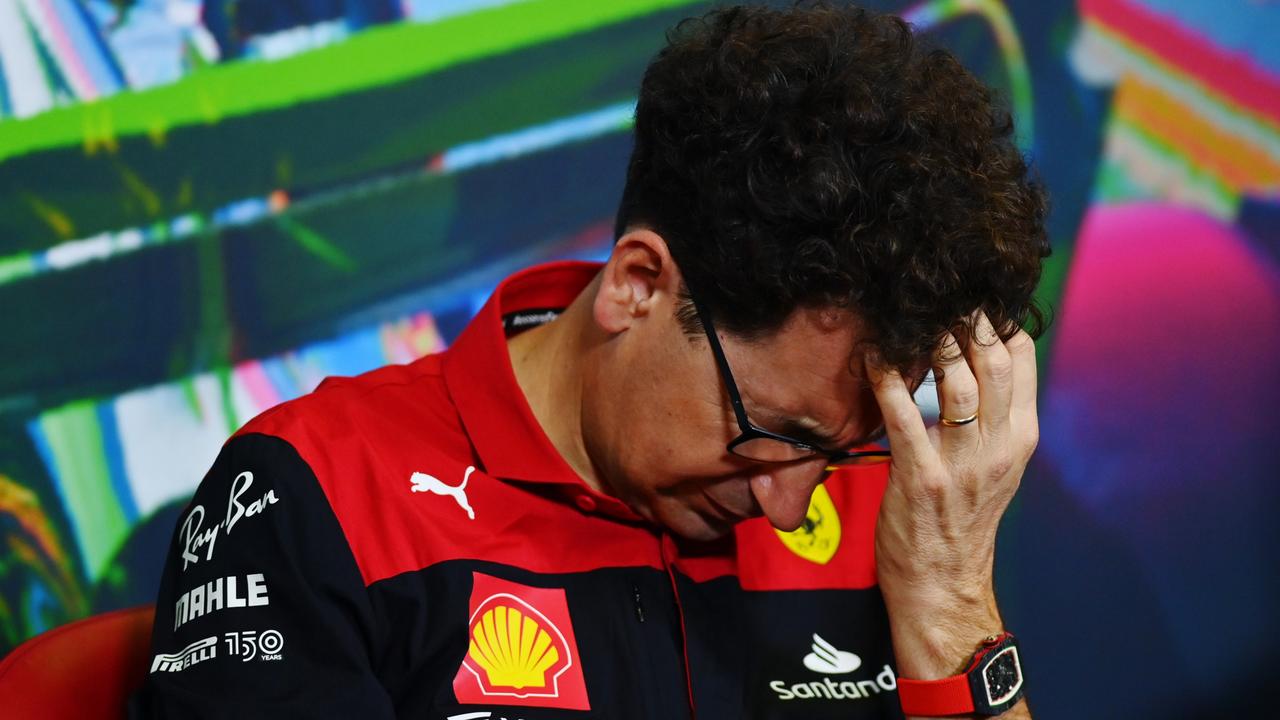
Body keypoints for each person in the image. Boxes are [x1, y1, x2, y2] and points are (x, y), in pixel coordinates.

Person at [131, 3, 1048, 718]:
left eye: (839, 450)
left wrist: (951, 601)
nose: (792, 501)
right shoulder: (317, 494)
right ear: (638, 286)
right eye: (773, 433)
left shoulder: (904, 521)